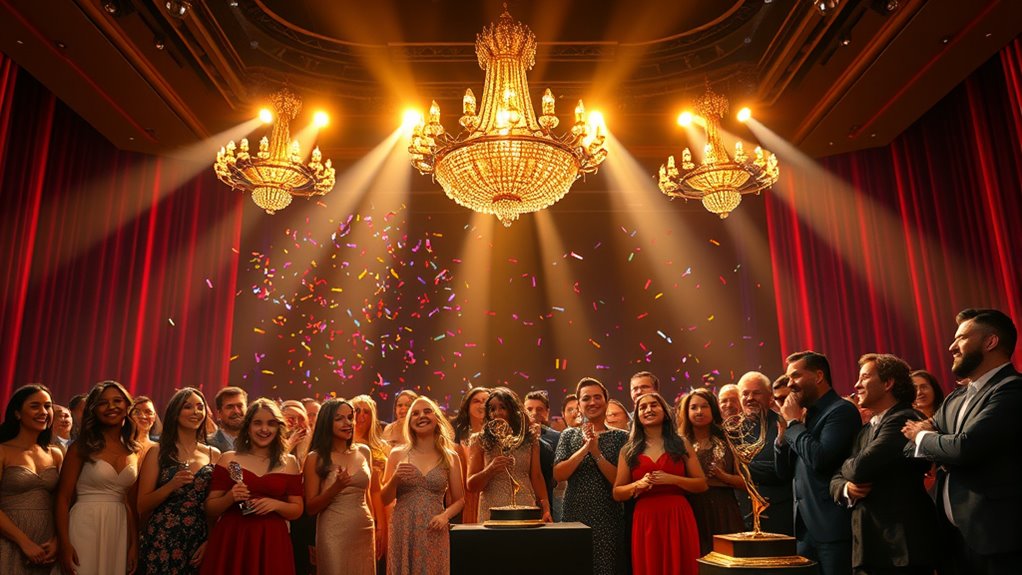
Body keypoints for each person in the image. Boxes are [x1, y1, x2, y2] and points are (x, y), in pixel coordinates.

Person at [902, 308, 1022, 575]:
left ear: (990, 342)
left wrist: (923, 435)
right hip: (951, 541)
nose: (951, 347)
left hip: (997, 540)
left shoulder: (1012, 388)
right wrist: (940, 444)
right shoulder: (955, 399)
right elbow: (910, 449)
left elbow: (965, 448)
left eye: (961, 338)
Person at [830, 354, 936, 575]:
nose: (856, 385)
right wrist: (846, 487)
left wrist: (848, 467)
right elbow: (837, 478)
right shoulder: (867, 429)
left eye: (864, 377)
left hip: (901, 551)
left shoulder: (904, 419)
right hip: (869, 547)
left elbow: (859, 469)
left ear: (888, 383)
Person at [776, 351, 861, 575]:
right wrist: (782, 438)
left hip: (833, 529)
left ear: (819, 376)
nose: (790, 384)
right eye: (788, 378)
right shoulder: (805, 415)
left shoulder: (841, 410)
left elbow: (820, 459)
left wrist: (793, 424)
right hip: (804, 531)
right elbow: (783, 472)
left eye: (796, 376)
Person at [201, 399, 304, 575]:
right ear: (247, 427)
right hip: (233, 538)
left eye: (271, 423)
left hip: (272, 540)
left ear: (278, 427)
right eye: (257, 423)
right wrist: (230, 497)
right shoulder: (228, 459)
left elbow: (297, 510)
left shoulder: (290, 463)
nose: (264, 429)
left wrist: (276, 505)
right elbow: (210, 508)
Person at [56, 380, 141, 575]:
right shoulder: (80, 447)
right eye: (103, 402)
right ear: (93, 410)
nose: (111, 406)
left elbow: (131, 504)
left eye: (117, 400)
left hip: (119, 530)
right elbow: (62, 498)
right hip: (84, 525)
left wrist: (134, 545)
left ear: (127, 405)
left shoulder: (134, 450)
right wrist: (64, 544)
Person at [613, 392, 704, 575]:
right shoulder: (628, 450)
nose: (648, 409)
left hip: (678, 515)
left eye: (654, 405)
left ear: (664, 411)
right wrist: (637, 485)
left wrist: (673, 479)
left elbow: (702, 484)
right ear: (637, 415)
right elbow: (617, 492)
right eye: (643, 407)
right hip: (645, 518)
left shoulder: (681, 443)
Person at [138, 387, 221, 575]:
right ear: (175, 413)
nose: (196, 412)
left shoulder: (214, 454)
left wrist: (210, 539)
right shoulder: (157, 452)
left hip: (199, 539)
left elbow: (214, 505)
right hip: (163, 537)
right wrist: (171, 486)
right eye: (188, 407)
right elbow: (142, 505)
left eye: (200, 407)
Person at [381, 396, 465, 575]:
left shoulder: (450, 456)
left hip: (434, 528)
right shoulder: (397, 454)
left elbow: (460, 500)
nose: (421, 416)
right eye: (415, 414)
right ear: (409, 422)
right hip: (403, 528)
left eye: (427, 411)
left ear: (437, 418)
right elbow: (384, 499)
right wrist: (395, 478)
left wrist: (445, 516)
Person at [554, 378, 629, 575]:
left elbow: (619, 481)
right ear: (579, 405)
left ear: (606, 401)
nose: (592, 402)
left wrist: (596, 453)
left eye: (597, 397)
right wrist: (585, 448)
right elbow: (559, 474)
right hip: (574, 514)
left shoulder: (620, 437)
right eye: (586, 398)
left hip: (608, 517)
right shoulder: (569, 435)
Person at [304, 399, 381, 575]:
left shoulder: (364, 451)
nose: (347, 423)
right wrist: (335, 488)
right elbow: (311, 508)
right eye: (339, 419)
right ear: (326, 423)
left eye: (350, 418)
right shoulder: (315, 458)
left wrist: (375, 526)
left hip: (363, 529)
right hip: (333, 532)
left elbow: (367, 495)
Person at [0, 384, 63, 574]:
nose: (43, 412)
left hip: (47, 546)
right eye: (35, 406)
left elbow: (61, 502)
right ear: (17, 413)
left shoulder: (56, 453)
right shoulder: (3, 451)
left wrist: (57, 540)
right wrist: (24, 542)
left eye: (47, 406)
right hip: (9, 541)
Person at [467, 387, 551, 522]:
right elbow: (471, 485)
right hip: (491, 511)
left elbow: (536, 476)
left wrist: (546, 508)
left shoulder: (529, 438)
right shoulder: (479, 440)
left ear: (513, 410)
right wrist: (490, 469)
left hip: (524, 507)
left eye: (503, 407)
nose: (497, 413)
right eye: (492, 409)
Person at [678, 388, 746, 554]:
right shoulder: (678, 444)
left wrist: (723, 477)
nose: (699, 411)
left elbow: (746, 483)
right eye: (693, 407)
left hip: (723, 508)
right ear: (686, 412)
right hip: (690, 509)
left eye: (704, 406)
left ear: (713, 409)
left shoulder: (729, 439)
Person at [735, 371, 793, 535]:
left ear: (770, 397)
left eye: (756, 393)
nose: (750, 398)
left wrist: (743, 467)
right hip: (741, 515)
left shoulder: (784, 425)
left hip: (778, 514)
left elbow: (783, 471)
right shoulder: (732, 430)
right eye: (745, 393)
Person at [350, 394, 390, 574]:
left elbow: (380, 488)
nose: (361, 415)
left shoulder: (382, 447)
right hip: (353, 508)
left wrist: (380, 525)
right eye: (356, 410)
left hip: (382, 508)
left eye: (366, 411)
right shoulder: (340, 444)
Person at [450, 387, 488, 523]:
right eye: (476, 401)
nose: (482, 405)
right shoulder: (455, 433)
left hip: (487, 491)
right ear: (468, 406)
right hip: (461, 495)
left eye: (485, 401)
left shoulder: (498, 433)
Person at [908, 370, 945, 495]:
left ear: (934, 389)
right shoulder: (905, 422)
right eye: (914, 388)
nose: (919, 392)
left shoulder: (946, 417)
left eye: (924, 387)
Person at [523, 390, 560, 514]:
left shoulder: (557, 437)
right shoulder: (516, 436)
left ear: (547, 412)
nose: (534, 413)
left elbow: (557, 475)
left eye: (539, 409)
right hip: (522, 496)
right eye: (529, 409)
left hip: (549, 497)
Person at [207, 387, 247, 453]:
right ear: (219, 413)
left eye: (240, 406)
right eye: (229, 407)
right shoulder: (207, 444)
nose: (236, 411)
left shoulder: (256, 442)